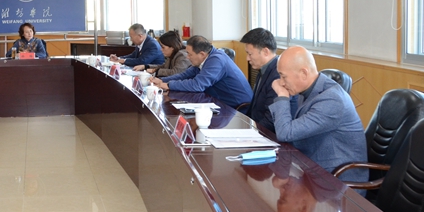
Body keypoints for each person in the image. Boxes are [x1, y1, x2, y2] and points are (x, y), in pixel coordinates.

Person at [269, 46, 368, 182]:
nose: (280, 82)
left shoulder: (331, 100)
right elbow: (289, 130)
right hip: (313, 169)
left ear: (304, 73)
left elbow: (285, 132)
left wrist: (282, 95)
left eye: (283, 76)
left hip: (337, 182)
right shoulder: (307, 90)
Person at [151, 35, 253, 109]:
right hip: (218, 101)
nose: (187, 57)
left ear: (202, 54)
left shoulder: (216, 60)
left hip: (236, 107)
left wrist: (168, 85)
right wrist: (161, 80)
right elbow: (186, 75)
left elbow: (197, 85)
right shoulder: (205, 58)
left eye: (189, 54)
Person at [239, 28, 280, 131]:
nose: (247, 58)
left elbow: (271, 119)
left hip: (268, 134)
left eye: (250, 54)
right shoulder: (263, 69)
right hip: (256, 128)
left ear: (265, 51)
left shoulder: (278, 75)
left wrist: (250, 132)